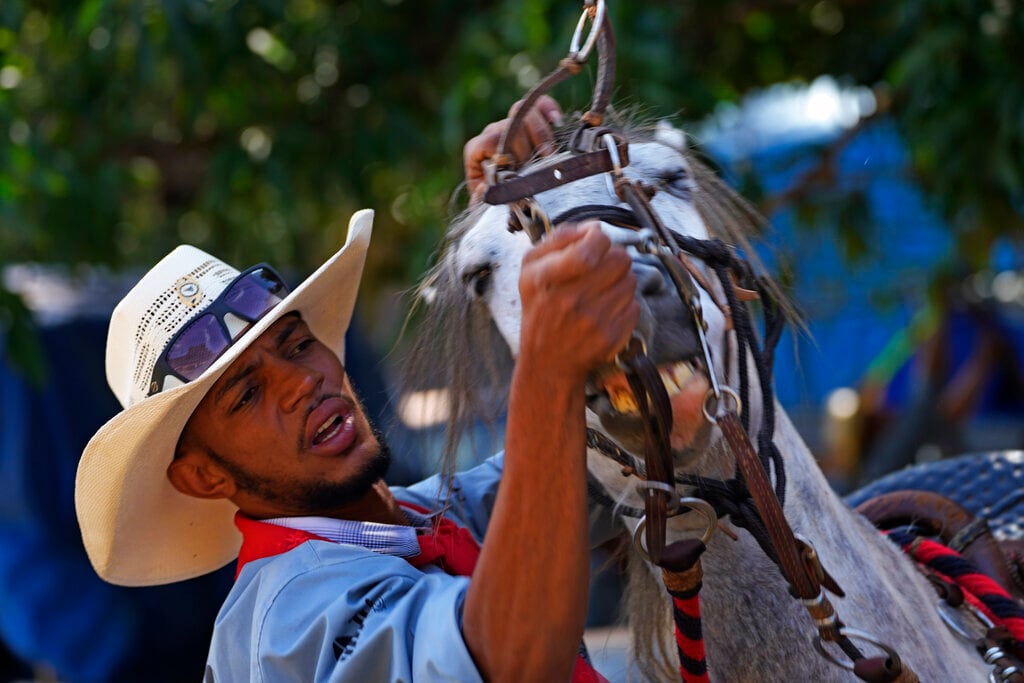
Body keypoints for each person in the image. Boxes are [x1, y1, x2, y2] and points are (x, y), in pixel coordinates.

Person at [75, 98, 639, 682]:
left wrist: (518, 213)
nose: (301, 382)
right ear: (203, 477)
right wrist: (546, 374)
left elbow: (607, 465)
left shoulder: (426, 515)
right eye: (245, 395)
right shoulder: (284, 623)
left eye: (296, 345)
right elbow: (508, 660)